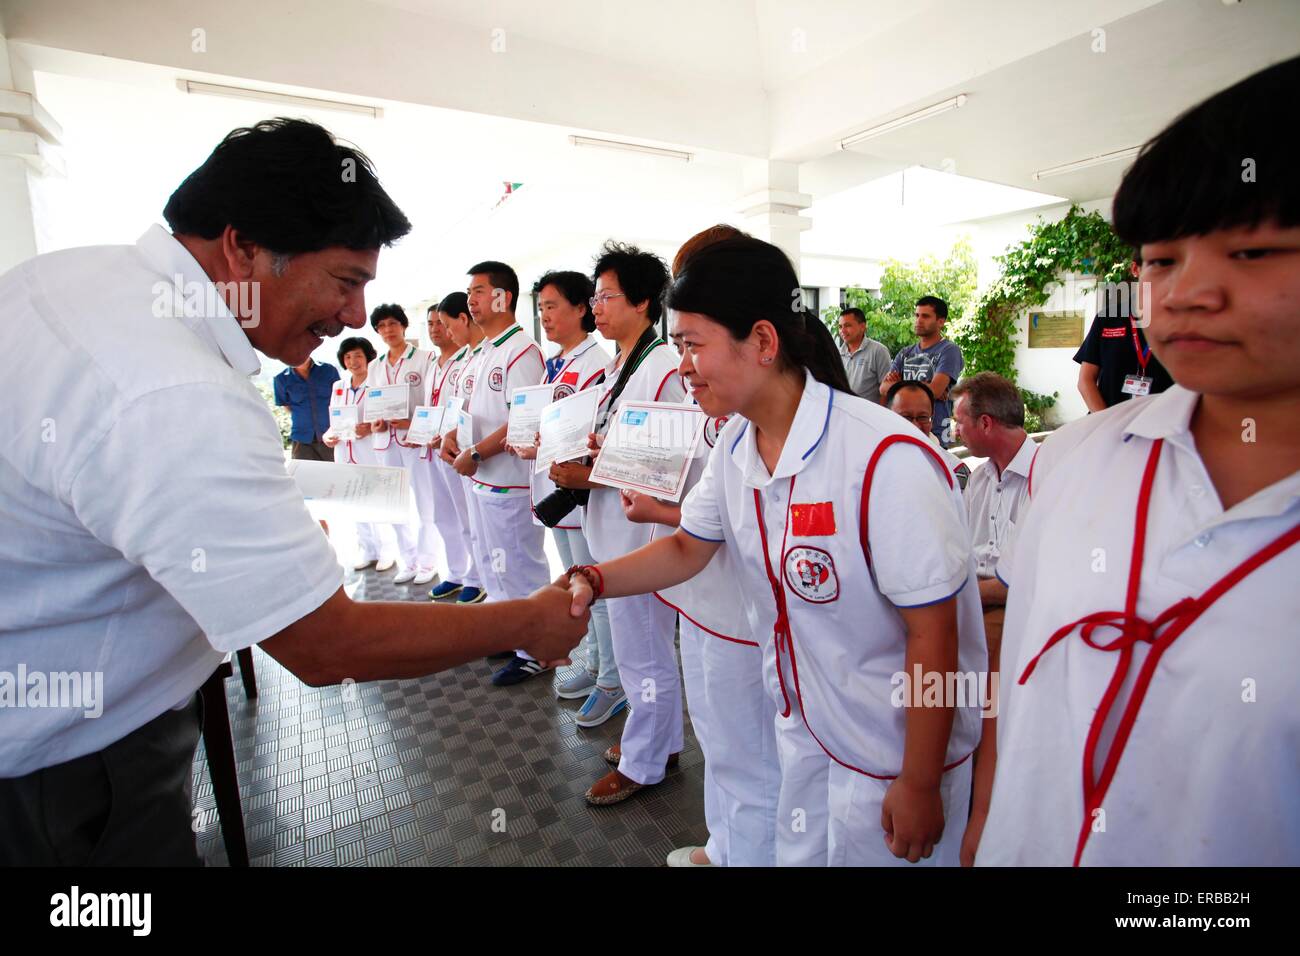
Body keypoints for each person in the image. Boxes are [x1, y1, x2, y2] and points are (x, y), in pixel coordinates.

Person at [0, 117, 587, 865]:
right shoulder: (174, 387)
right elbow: (324, 642)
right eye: (344, 282)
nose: (351, 316)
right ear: (244, 246)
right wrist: (529, 622)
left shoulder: (66, 279)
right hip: (70, 775)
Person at [561, 235, 986, 864]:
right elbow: (685, 547)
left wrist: (920, 780)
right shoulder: (738, 447)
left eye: (694, 346)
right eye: (678, 347)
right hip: (808, 732)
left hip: (891, 755)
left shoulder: (883, 460)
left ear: (762, 342)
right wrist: (592, 580)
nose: (683, 367)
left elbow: (934, 633)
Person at [973, 56, 1300, 866]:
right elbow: (1019, 674)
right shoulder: (1082, 455)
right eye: (1160, 260)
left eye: (1252, 252)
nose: (1188, 292)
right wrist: (983, 815)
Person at [646, 224, 779, 868]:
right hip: (702, 598)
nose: (684, 361)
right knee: (723, 748)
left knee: (752, 755)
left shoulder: (763, 409)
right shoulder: (727, 414)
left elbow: (730, 518)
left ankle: (752, 854)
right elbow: (705, 513)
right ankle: (728, 846)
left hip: (739, 609)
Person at [549, 241, 688, 806]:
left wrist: (592, 475)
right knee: (639, 648)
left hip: (642, 536)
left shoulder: (662, 369)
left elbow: (667, 461)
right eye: (597, 296)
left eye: (607, 296)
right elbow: (623, 442)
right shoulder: (618, 368)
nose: (597, 305)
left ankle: (645, 762)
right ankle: (662, 740)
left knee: (643, 651)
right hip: (613, 527)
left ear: (644, 301)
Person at [513, 271, 625, 725]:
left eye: (553, 306)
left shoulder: (596, 363)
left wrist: (552, 444)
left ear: (582, 308)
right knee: (577, 583)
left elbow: (591, 430)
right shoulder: (554, 364)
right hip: (556, 487)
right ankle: (597, 664)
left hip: (580, 491)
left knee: (594, 589)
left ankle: (613, 682)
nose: (545, 316)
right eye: (540, 308)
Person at [440, 261, 550, 687]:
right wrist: (452, 434)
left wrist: (476, 452)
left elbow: (524, 419)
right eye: (470, 291)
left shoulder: (522, 351)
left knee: (519, 563)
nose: (472, 298)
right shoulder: (480, 352)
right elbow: (467, 410)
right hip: (479, 477)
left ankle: (537, 648)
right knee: (491, 561)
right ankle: (508, 632)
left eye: (480, 290)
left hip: (507, 478)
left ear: (504, 297)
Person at [945, 371, 1033, 866]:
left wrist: (952, 599)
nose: (951, 430)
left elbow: (1014, 584)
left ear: (984, 421)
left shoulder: (1048, 473)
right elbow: (959, 554)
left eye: (957, 420)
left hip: (1012, 610)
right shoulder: (977, 477)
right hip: (977, 599)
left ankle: (983, 817)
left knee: (970, 692)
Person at [365, 303, 438, 586]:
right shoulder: (375, 366)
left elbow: (432, 402)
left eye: (392, 324)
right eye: (381, 326)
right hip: (386, 443)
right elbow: (374, 404)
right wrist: (376, 422)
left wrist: (412, 424)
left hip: (415, 442)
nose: (387, 330)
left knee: (425, 505)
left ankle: (428, 562)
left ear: (403, 326)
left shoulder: (424, 359)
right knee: (394, 505)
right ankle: (409, 560)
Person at [425, 293, 487, 605]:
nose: (440, 330)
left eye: (443, 323)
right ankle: (456, 570)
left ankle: (476, 577)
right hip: (436, 447)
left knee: (468, 517)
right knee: (443, 515)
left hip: (461, 450)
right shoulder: (431, 363)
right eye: (433, 324)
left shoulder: (471, 359)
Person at [323, 335, 396, 572]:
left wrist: (370, 427)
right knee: (355, 504)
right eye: (347, 357)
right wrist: (328, 436)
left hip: (370, 451)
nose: (353, 361)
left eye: (358, 356)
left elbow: (385, 420)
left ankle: (387, 551)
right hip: (345, 451)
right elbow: (334, 419)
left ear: (368, 358)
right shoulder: (338, 387)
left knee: (377, 503)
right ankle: (368, 550)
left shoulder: (377, 387)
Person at [1074, 261, 1174, 411]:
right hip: (1107, 422)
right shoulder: (1108, 318)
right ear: (1135, 268)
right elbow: (1085, 381)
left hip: (1161, 426)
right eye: (1156, 263)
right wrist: (1106, 424)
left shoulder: (1179, 320)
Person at [880, 296, 964, 446]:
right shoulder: (905, 352)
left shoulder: (949, 350)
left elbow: (936, 391)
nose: (918, 320)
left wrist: (899, 384)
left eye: (925, 316)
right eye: (917, 315)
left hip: (936, 431)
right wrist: (925, 386)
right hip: (903, 428)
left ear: (940, 321)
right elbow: (883, 388)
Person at [886, 380, 970, 490]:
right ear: (888, 416)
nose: (915, 426)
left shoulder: (955, 471)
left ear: (931, 418)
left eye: (922, 417)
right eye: (906, 417)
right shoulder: (872, 467)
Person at [274, 355, 339, 462]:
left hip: (331, 436)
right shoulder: (281, 379)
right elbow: (287, 406)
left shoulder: (329, 370)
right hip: (302, 440)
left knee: (335, 475)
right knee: (303, 476)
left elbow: (339, 400)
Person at [837, 307, 891, 404]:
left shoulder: (879, 351)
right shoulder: (837, 353)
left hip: (869, 415)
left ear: (862, 327)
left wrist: (881, 416)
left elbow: (886, 390)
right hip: (845, 413)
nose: (843, 331)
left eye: (847, 325)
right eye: (840, 327)